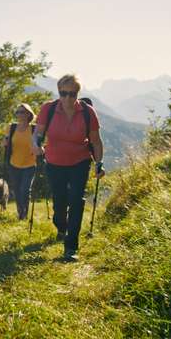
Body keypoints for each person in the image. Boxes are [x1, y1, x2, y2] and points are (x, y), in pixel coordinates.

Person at [32, 74, 105, 261]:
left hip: (80, 162)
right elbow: (38, 133)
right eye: (63, 93)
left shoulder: (87, 112)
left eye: (72, 94)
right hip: (54, 162)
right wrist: (36, 144)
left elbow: (96, 142)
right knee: (59, 202)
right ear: (58, 92)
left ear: (77, 94)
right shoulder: (48, 109)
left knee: (76, 200)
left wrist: (98, 163)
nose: (67, 98)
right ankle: (61, 226)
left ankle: (71, 247)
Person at [1, 103, 37, 220]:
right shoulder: (11, 127)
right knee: (17, 190)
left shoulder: (34, 129)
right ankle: (20, 212)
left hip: (30, 165)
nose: (19, 114)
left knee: (25, 190)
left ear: (28, 114)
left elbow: (41, 144)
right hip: (14, 164)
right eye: (18, 112)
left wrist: (40, 148)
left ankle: (24, 214)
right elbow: (4, 141)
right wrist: (4, 143)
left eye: (22, 112)